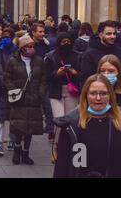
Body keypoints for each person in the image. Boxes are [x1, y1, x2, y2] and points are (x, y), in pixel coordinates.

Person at [53, 74, 121, 178]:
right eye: (93, 93)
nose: (98, 98)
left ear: (110, 95)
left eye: (103, 93)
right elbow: (62, 167)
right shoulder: (73, 125)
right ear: (85, 95)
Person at [5, 35, 46, 165]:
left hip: (34, 99)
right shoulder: (12, 61)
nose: (31, 49)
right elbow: (7, 78)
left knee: (30, 128)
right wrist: (14, 91)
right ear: (22, 48)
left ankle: (26, 153)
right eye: (29, 46)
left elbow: (43, 79)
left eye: (33, 46)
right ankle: (17, 150)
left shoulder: (39, 61)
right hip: (19, 99)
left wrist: (40, 93)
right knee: (18, 126)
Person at [45, 33, 80, 161]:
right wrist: (57, 73)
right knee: (59, 120)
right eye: (63, 41)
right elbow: (47, 76)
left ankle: (69, 148)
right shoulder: (51, 56)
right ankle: (55, 148)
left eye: (68, 41)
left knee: (70, 121)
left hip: (72, 91)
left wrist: (75, 73)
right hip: (55, 92)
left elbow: (82, 75)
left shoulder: (77, 56)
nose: (66, 44)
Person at [80, 21, 121, 87]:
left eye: (114, 34)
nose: (112, 36)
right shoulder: (89, 54)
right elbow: (85, 78)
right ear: (101, 35)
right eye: (109, 34)